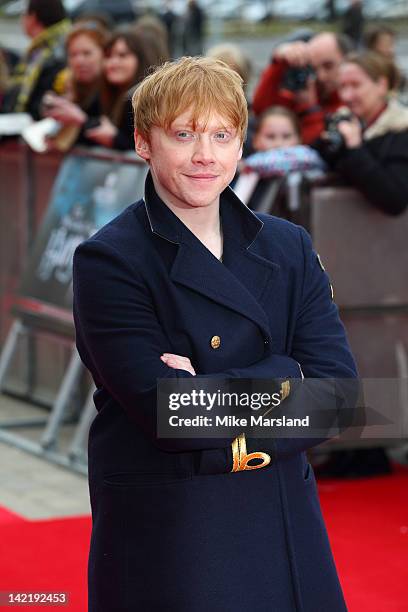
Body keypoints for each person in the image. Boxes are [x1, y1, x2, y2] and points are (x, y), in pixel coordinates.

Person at [73, 56, 357, 611]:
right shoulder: (109, 259)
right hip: (175, 529)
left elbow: (337, 399)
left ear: (240, 146)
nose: (205, 154)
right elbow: (171, 417)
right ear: (143, 142)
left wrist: (205, 389)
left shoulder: (288, 245)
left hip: (281, 518)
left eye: (221, 135)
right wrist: (285, 377)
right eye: (183, 134)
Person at [315, 51, 408, 216]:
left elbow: (395, 201)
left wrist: (355, 148)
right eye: (342, 87)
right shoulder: (346, 121)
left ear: (382, 85)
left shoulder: (402, 130)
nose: (347, 96)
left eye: (356, 85)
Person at [44, 27, 156, 150]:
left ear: (140, 59)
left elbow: (144, 149)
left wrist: (113, 138)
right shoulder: (107, 92)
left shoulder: (146, 98)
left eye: (122, 55)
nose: (113, 63)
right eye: (108, 56)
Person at [252, 31, 354, 143]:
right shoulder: (302, 94)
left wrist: (310, 109)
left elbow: (321, 148)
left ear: (347, 60)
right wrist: (279, 61)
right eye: (313, 68)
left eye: (328, 66)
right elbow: (261, 110)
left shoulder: (352, 101)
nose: (320, 76)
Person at [0, 0, 70, 119]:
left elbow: (39, 103)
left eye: (23, 14)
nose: (21, 20)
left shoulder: (53, 52)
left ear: (33, 17)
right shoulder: (43, 48)